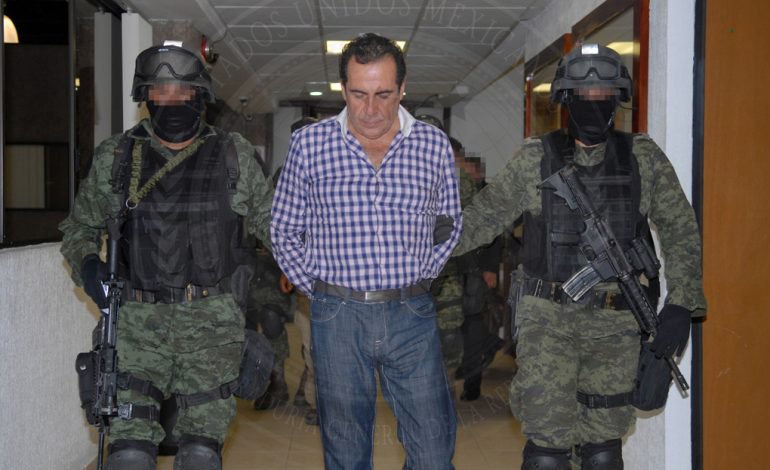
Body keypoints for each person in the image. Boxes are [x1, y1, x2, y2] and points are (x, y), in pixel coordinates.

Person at [454, 43, 706, 469]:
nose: (593, 103)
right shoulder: (535, 158)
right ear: (565, 99)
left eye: (603, 95)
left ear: (617, 99)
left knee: (603, 450)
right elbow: (482, 219)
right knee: (547, 452)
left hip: (615, 325)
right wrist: (416, 246)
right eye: (583, 95)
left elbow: (681, 229)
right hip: (546, 322)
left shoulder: (643, 158)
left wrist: (682, 303)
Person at [59, 44, 273, 470]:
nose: (171, 100)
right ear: (146, 97)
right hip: (136, 326)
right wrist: (89, 268)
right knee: (129, 454)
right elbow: (78, 230)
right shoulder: (117, 157)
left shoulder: (234, 156)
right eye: (160, 91)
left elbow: (277, 228)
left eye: (182, 91)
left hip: (211, 327)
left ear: (200, 96)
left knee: (200, 454)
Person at [270, 33, 462, 469]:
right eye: (359, 94)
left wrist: (422, 275)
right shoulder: (309, 145)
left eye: (383, 94)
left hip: (411, 314)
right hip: (338, 316)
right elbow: (283, 228)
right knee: (346, 452)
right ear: (343, 89)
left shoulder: (432, 145)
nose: (370, 109)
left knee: (434, 452)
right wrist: (318, 290)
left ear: (402, 89)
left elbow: (449, 223)